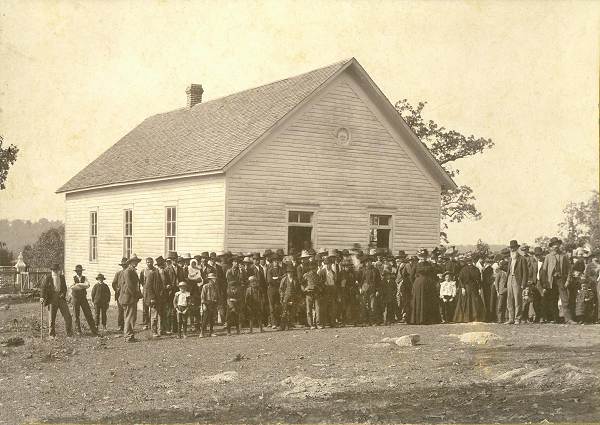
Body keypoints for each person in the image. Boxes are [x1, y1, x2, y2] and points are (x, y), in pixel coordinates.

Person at [540, 237, 574, 324]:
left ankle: (568, 319)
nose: (556, 246)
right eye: (554, 245)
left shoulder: (564, 256)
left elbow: (569, 270)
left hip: (561, 280)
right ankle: (556, 319)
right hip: (551, 281)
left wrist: (567, 281)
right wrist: (544, 283)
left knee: (565, 299)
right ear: (551, 247)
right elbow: (544, 271)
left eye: (557, 244)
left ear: (559, 245)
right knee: (553, 300)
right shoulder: (548, 257)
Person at [40, 263, 73, 338]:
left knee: (67, 316)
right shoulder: (48, 278)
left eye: (56, 270)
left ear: (58, 270)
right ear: (52, 270)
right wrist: (42, 297)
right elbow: (43, 288)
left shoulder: (61, 277)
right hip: (51, 299)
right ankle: (52, 335)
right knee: (51, 318)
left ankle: (69, 333)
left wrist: (63, 294)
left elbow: (64, 288)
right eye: (53, 270)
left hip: (61, 298)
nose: (55, 271)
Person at [409, 248, 440, 325]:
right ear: (419, 257)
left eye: (424, 256)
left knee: (428, 301)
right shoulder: (416, 264)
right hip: (418, 285)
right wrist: (416, 283)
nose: (423, 258)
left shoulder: (430, 264)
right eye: (421, 256)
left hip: (429, 285)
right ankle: (418, 319)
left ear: (426, 256)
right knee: (419, 300)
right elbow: (411, 276)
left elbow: (434, 273)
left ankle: (428, 319)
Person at [453, 254, 485, 323]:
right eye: (468, 261)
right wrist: (462, 288)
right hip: (466, 287)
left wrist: (479, 288)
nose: (469, 262)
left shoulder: (476, 269)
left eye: (470, 261)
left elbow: (479, 280)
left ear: (472, 261)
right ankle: (466, 318)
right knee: (465, 302)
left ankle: (475, 317)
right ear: (466, 262)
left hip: (474, 288)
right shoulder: (463, 269)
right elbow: (460, 279)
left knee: (475, 302)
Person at [118, 254, 142, 342]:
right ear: (130, 262)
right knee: (129, 317)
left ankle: (130, 335)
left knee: (131, 317)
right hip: (128, 298)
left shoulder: (132, 270)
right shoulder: (128, 271)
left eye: (136, 261)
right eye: (134, 261)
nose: (136, 263)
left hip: (131, 297)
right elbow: (130, 286)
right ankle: (128, 336)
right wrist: (136, 295)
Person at [504, 240, 529, 325]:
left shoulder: (522, 259)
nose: (512, 249)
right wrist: (507, 281)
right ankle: (511, 318)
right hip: (509, 279)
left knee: (517, 299)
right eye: (511, 248)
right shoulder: (510, 259)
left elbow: (525, 272)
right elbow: (508, 271)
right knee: (509, 300)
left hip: (517, 280)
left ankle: (517, 318)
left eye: (514, 248)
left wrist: (523, 284)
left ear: (517, 248)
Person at [71, 265, 98, 336]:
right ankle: (78, 330)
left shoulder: (84, 277)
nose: (79, 272)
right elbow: (72, 287)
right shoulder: (73, 278)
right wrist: (82, 286)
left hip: (83, 298)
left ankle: (94, 330)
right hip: (75, 298)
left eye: (80, 271)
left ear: (81, 271)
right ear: (76, 271)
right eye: (78, 271)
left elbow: (88, 285)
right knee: (76, 314)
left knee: (88, 313)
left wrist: (78, 284)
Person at [141, 257, 165, 337]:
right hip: (154, 298)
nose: (161, 268)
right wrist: (152, 298)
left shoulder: (164, 274)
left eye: (163, 267)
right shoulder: (152, 274)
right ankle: (154, 331)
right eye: (160, 267)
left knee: (161, 314)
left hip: (161, 298)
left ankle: (160, 330)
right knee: (154, 315)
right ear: (157, 267)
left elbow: (163, 286)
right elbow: (148, 287)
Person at [358, 254, 381, 326]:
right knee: (364, 305)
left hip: (373, 289)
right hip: (364, 288)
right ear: (365, 263)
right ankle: (365, 321)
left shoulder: (375, 270)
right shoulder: (362, 270)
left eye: (370, 261)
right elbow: (359, 280)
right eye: (367, 262)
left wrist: (377, 290)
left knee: (372, 305)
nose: (368, 263)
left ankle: (372, 321)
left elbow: (378, 281)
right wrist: (360, 288)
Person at [301, 260, 322, 329]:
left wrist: (319, 288)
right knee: (309, 310)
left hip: (316, 294)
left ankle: (318, 323)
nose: (314, 270)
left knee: (318, 309)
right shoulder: (306, 275)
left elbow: (321, 285)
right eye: (312, 268)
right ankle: (311, 324)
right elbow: (301, 284)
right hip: (309, 294)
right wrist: (305, 289)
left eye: (315, 268)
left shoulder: (318, 276)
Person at [279, 263, 300, 330]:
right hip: (286, 297)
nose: (290, 274)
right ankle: (282, 326)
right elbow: (281, 289)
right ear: (287, 273)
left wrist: (297, 297)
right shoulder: (284, 279)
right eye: (289, 272)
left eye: (291, 272)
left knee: (292, 312)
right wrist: (282, 297)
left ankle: (290, 325)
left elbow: (297, 289)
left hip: (293, 297)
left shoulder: (295, 280)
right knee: (284, 312)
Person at [111, 257, 128, 332]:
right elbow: (114, 283)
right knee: (120, 311)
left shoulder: (129, 272)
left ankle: (128, 326)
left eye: (125, 265)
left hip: (127, 295)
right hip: (120, 295)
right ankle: (121, 325)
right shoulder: (118, 273)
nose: (124, 266)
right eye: (123, 265)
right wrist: (116, 288)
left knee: (128, 311)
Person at [200, 272, 219, 337]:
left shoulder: (216, 287)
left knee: (212, 319)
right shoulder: (205, 286)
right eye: (213, 279)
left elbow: (217, 295)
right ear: (210, 279)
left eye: (215, 279)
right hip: (207, 304)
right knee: (205, 319)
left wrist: (217, 303)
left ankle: (211, 332)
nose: (215, 280)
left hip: (213, 304)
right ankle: (202, 332)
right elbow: (202, 297)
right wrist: (204, 305)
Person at [493, 257, 508, 323]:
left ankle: (505, 318)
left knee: (506, 305)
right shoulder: (500, 273)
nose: (506, 266)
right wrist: (497, 291)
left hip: (507, 290)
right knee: (500, 305)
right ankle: (499, 318)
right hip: (501, 291)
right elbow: (496, 282)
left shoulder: (508, 273)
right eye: (505, 265)